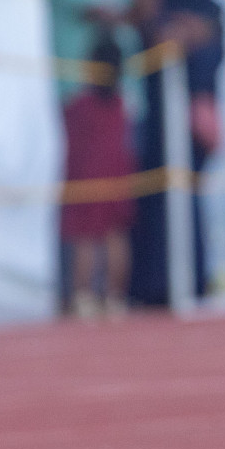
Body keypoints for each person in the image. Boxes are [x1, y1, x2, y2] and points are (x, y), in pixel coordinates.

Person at [45, 0, 153, 313]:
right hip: (86, 96)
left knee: (116, 204)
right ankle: (79, 293)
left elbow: (145, 10)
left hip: (120, 99)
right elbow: (108, 13)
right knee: (88, 199)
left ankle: (111, 294)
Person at [129, 0, 225, 306]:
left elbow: (211, 44)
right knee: (154, 197)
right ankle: (149, 283)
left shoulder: (210, 4)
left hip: (192, 119)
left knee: (189, 195)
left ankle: (192, 276)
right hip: (156, 118)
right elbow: (152, 30)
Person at [59, 35, 137, 320]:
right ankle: (115, 297)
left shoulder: (81, 106)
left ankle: (84, 296)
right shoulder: (122, 104)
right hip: (117, 177)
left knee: (87, 239)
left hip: (89, 178)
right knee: (115, 236)